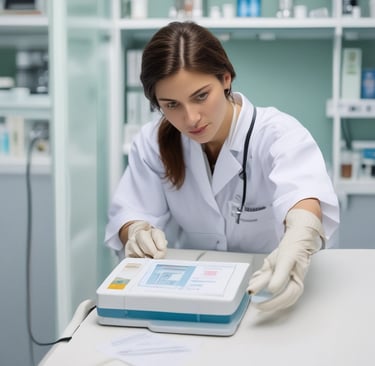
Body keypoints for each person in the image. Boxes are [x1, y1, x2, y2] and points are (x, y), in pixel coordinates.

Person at [105, 21, 339, 312]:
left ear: (225, 78)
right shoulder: (153, 142)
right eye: (172, 105)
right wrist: (137, 232)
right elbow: (131, 212)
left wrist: (299, 239)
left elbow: (304, 196)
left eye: (201, 96)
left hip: (273, 285)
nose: (191, 118)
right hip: (197, 293)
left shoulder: (277, 133)